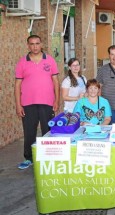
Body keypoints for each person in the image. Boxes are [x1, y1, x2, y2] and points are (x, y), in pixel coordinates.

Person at [14, 35, 60, 170]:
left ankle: (49, 157)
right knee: (29, 132)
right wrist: (18, 104)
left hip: (47, 102)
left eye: (37, 43)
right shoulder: (22, 62)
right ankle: (29, 158)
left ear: (41, 44)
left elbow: (55, 82)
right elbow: (17, 85)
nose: (35, 46)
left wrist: (56, 100)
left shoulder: (50, 60)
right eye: (32, 44)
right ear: (28, 45)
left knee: (48, 131)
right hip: (28, 103)